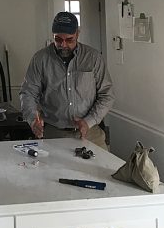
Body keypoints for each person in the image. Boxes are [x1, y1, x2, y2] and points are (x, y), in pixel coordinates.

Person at [19, 11, 115, 149]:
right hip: (53, 134)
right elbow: (28, 93)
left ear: (77, 34)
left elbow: (107, 95)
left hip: (90, 132)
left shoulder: (93, 58)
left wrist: (88, 121)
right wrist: (33, 120)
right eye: (58, 39)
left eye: (69, 40)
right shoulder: (40, 59)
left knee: (103, 170)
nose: (63, 45)